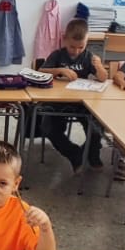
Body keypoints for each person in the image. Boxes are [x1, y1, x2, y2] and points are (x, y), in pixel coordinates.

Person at [40, 17, 110, 170]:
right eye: (72, 47)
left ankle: (92, 154)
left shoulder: (88, 57)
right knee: (48, 128)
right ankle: (75, 154)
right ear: (64, 39)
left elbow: (103, 78)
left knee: (96, 129)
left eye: (81, 47)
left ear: (87, 42)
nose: (77, 51)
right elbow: (41, 71)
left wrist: (99, 67)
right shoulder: (57, 55)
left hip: (82, 102)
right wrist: (59, 70)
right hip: (57, 102)